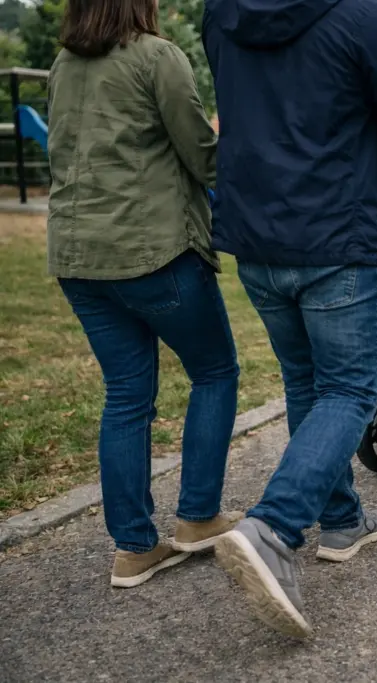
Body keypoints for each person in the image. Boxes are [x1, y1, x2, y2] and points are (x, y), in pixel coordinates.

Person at [203, 0, 377, 637]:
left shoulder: (222, 13)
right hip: (338, 236)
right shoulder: (364, 17)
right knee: (348, 391)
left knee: (309, 384)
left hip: (257, 237)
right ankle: (274, 528)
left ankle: (341, 518)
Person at [47, 0, 242, 587]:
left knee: (127, 395)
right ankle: (198, 518)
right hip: (154, 252)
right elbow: (203, 160)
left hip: (79, 259)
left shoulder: (62, 63)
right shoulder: (158, 57)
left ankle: (133, 547)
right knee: (215, 371)